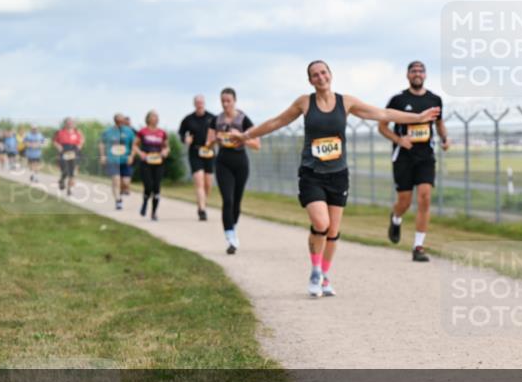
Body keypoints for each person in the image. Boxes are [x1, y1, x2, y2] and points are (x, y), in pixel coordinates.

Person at [233, 60, 439, 298]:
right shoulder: (304, 102)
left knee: (333, 231)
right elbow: (276, 122)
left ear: (330, 74)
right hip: (311, 174)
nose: (320, 77)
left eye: (324, 72)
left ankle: (324, 275)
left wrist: (418, 117)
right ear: (310, 80)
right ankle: (315, 271)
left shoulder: (346, 102)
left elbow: (383, 113)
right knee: (321, 224)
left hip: (338, 175)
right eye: (315, 75)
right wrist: (246, 135)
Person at [378, 61, 449, 261]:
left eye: (421, 71)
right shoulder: (398, 100)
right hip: (403, 157)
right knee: (405, 201)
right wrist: (399, 139)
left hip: (425, 156)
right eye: (413, 71)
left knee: (425, 197)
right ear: (407, 75)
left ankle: (418, 247)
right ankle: (396, 218)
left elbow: (439, 123)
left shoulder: (434, 99)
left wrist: (444, 138)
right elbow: (382, 127)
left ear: (425, 75)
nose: (417, 74)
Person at [207, 88, 259, 254]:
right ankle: (230, 237)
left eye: (228, 101)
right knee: (227, 200)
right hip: (223, 163)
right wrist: (215, 140)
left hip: (240, 162)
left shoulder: (244, 119)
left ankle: (232, 228)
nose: (225, 104)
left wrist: (241, 137)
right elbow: (207, 144)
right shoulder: (216, 120)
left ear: (235, 101)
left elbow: (257, 144)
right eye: (223, 101)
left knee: (237, 201)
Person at [179, 95, 217, 221]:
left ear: (204, 103)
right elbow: (181, 133)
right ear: (194, 104)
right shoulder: (188, 119)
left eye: (201, 102)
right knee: (199, 181)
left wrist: (214, 140)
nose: (199, 104)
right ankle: (202, 210)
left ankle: (202, 203)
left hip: (209, 152)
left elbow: (219, 132)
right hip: (195, 152)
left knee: (208, 183)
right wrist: (185, 139)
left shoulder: (212, 118)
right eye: (197, 102)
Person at [132, 111, 170, 220]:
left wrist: (165, 151)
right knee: (148, 186)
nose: (155, 118)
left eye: (156, 117)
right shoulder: (142, 132)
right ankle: (145, 202)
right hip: (146, 162)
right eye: (153, 116)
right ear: (148, 119)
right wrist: (140, 153)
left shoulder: (162, 132)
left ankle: (154, 212)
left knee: (156, 187)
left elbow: (167, 147)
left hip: (158, 162)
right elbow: (134, 145)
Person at [99, 113, 136, 210]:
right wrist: (103, 156)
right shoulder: (108, 132)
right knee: (116, 180)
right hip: (113, 160)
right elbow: (102, 143)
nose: (120, 123)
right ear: (115, 121)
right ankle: (118, 201)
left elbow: (134, 144)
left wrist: (131, 156)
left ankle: (122, 191)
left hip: (125, 160)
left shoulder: (129, 131)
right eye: (118, 121)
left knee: (126, 182)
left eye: (121, 121)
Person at [53, 119, 85, 195]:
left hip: (74, 150)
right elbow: (54, 141)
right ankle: (62, 180)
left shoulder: (77, 132)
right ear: (65, 124)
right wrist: (58, 146)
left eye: (71, 123)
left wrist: (79, 146)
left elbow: (82, 139)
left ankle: (69, 189)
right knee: (65, 170)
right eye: (68, 123)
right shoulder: (60, 132)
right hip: (64, 150)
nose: (70, 124)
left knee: (73, 171)